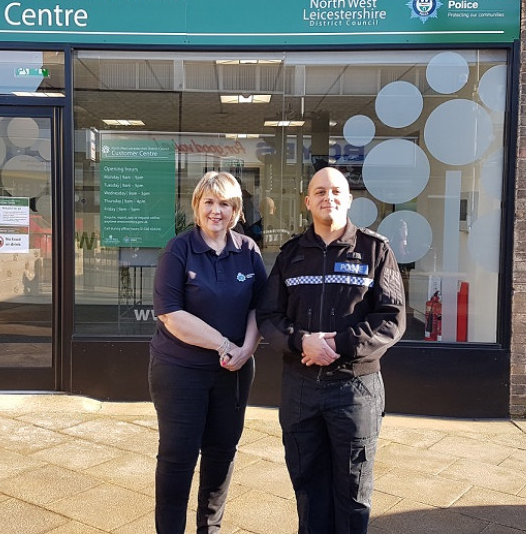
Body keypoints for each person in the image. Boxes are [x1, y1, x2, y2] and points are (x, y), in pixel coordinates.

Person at [256, 167, 406, 533]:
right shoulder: (291, 255)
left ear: (349, 199)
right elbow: (268, 316)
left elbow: (392, 319)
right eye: (320, 192)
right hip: (300, 387)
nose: (329, 197)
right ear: (308, 202)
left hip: (356, 389)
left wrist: (338, 344)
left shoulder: (375, 251)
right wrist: (301, 341)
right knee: (308, 489)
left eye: (336, 190)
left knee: (353, 493)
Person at [150, 171, 267, 533]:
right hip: (179, 371)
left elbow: (260, 309)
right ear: (197, 206)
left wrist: (247, 350)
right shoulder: (179, 249)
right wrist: (224, 345)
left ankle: (210, 529)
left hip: (232, 374)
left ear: (237, 211)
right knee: (178, 456)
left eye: (226, 204)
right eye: (210, 202)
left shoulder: (248, 251)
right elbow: (171, 315)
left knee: (221, 453)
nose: (217, 211)